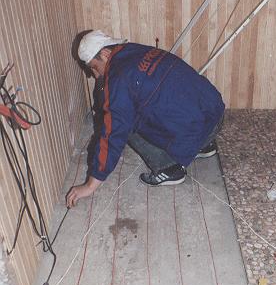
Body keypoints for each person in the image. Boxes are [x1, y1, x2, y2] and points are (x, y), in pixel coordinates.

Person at [66, 30, 225, 208]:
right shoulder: (134, 49)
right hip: (216, 116)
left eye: (95, 67)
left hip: (195, 132)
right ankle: (203, 146)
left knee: (123, 122)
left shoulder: (118, 79)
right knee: (157, 102)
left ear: (104, 54)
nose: (95, 75)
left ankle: (168, 168)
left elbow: (112, 135)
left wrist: (90, 185)